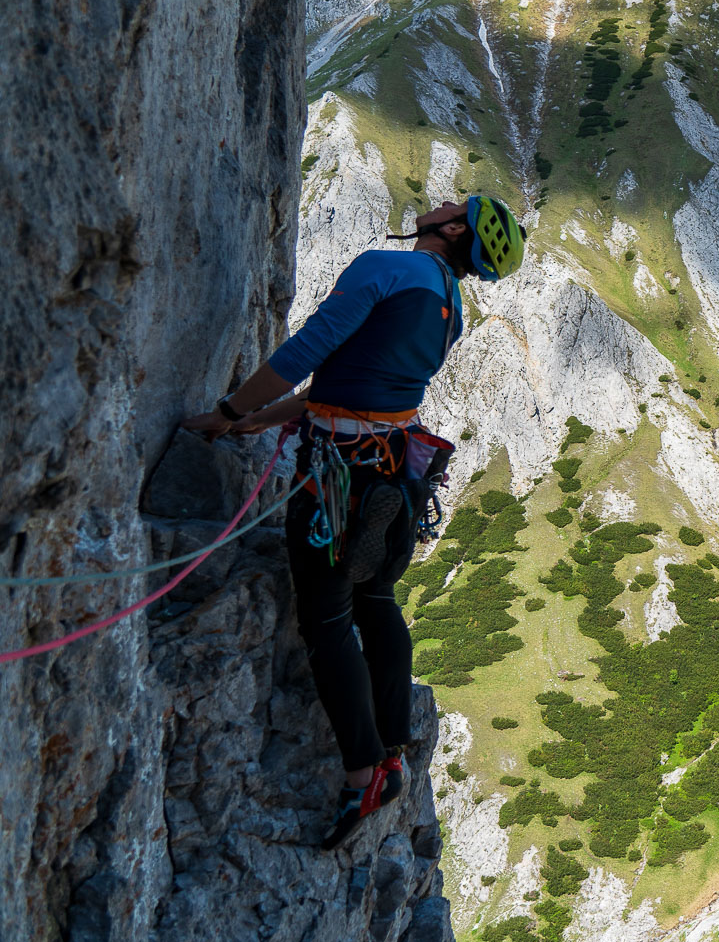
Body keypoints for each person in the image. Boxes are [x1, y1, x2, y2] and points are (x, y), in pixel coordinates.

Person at [184, 195, 526, 847]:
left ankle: (364, 772)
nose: (444, 200)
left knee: (327, 619)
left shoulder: (385, 269)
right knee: (375, 597)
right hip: (395, 470)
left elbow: (308, 352)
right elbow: (350, 383)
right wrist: (262, 420)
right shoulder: (449, 308)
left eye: (459, 205)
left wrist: (228, 412)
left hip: (341, 478)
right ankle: (392, 747)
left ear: (455, 228)